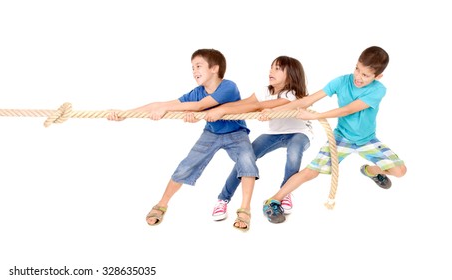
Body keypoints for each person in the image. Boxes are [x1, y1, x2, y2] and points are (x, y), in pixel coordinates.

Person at [108, 48, 258, 231]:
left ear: (215, 68)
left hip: (236, 133)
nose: (194, 71)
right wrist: (126, 114)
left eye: (198, 66)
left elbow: (200, 106)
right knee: (186, 166)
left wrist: (178, 110)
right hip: (211, 133)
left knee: (247, 161)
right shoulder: (197, 91)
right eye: (192, 68)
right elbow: (162, 104)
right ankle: (162, 204)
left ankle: (245, 209)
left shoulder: (228, 86)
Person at [261, 46, 406, 223]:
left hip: (367, 140)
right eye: (357, 69)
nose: (358, 77)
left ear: (378, 77)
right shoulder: (341, 82)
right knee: (311, 172)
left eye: (365, 75)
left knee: (399, 171)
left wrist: (315, 116)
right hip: (341, 138)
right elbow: (307, 100)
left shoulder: (378, 90)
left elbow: (347, 110)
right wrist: (273, 111)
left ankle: (370, 171)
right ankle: (273, 200)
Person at [206, 56, 312, 221]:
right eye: (271, 67)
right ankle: (223, 199)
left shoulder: (293, 94)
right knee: (245, 159)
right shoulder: (265, 91)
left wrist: (224, 109)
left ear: (291, 74)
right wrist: (218, 107)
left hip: (299, 132)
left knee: (294, 152)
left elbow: (259, 106)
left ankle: (284, 193)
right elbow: (246, 103)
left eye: (277, 68)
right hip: (274, 134)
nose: (271, 71)